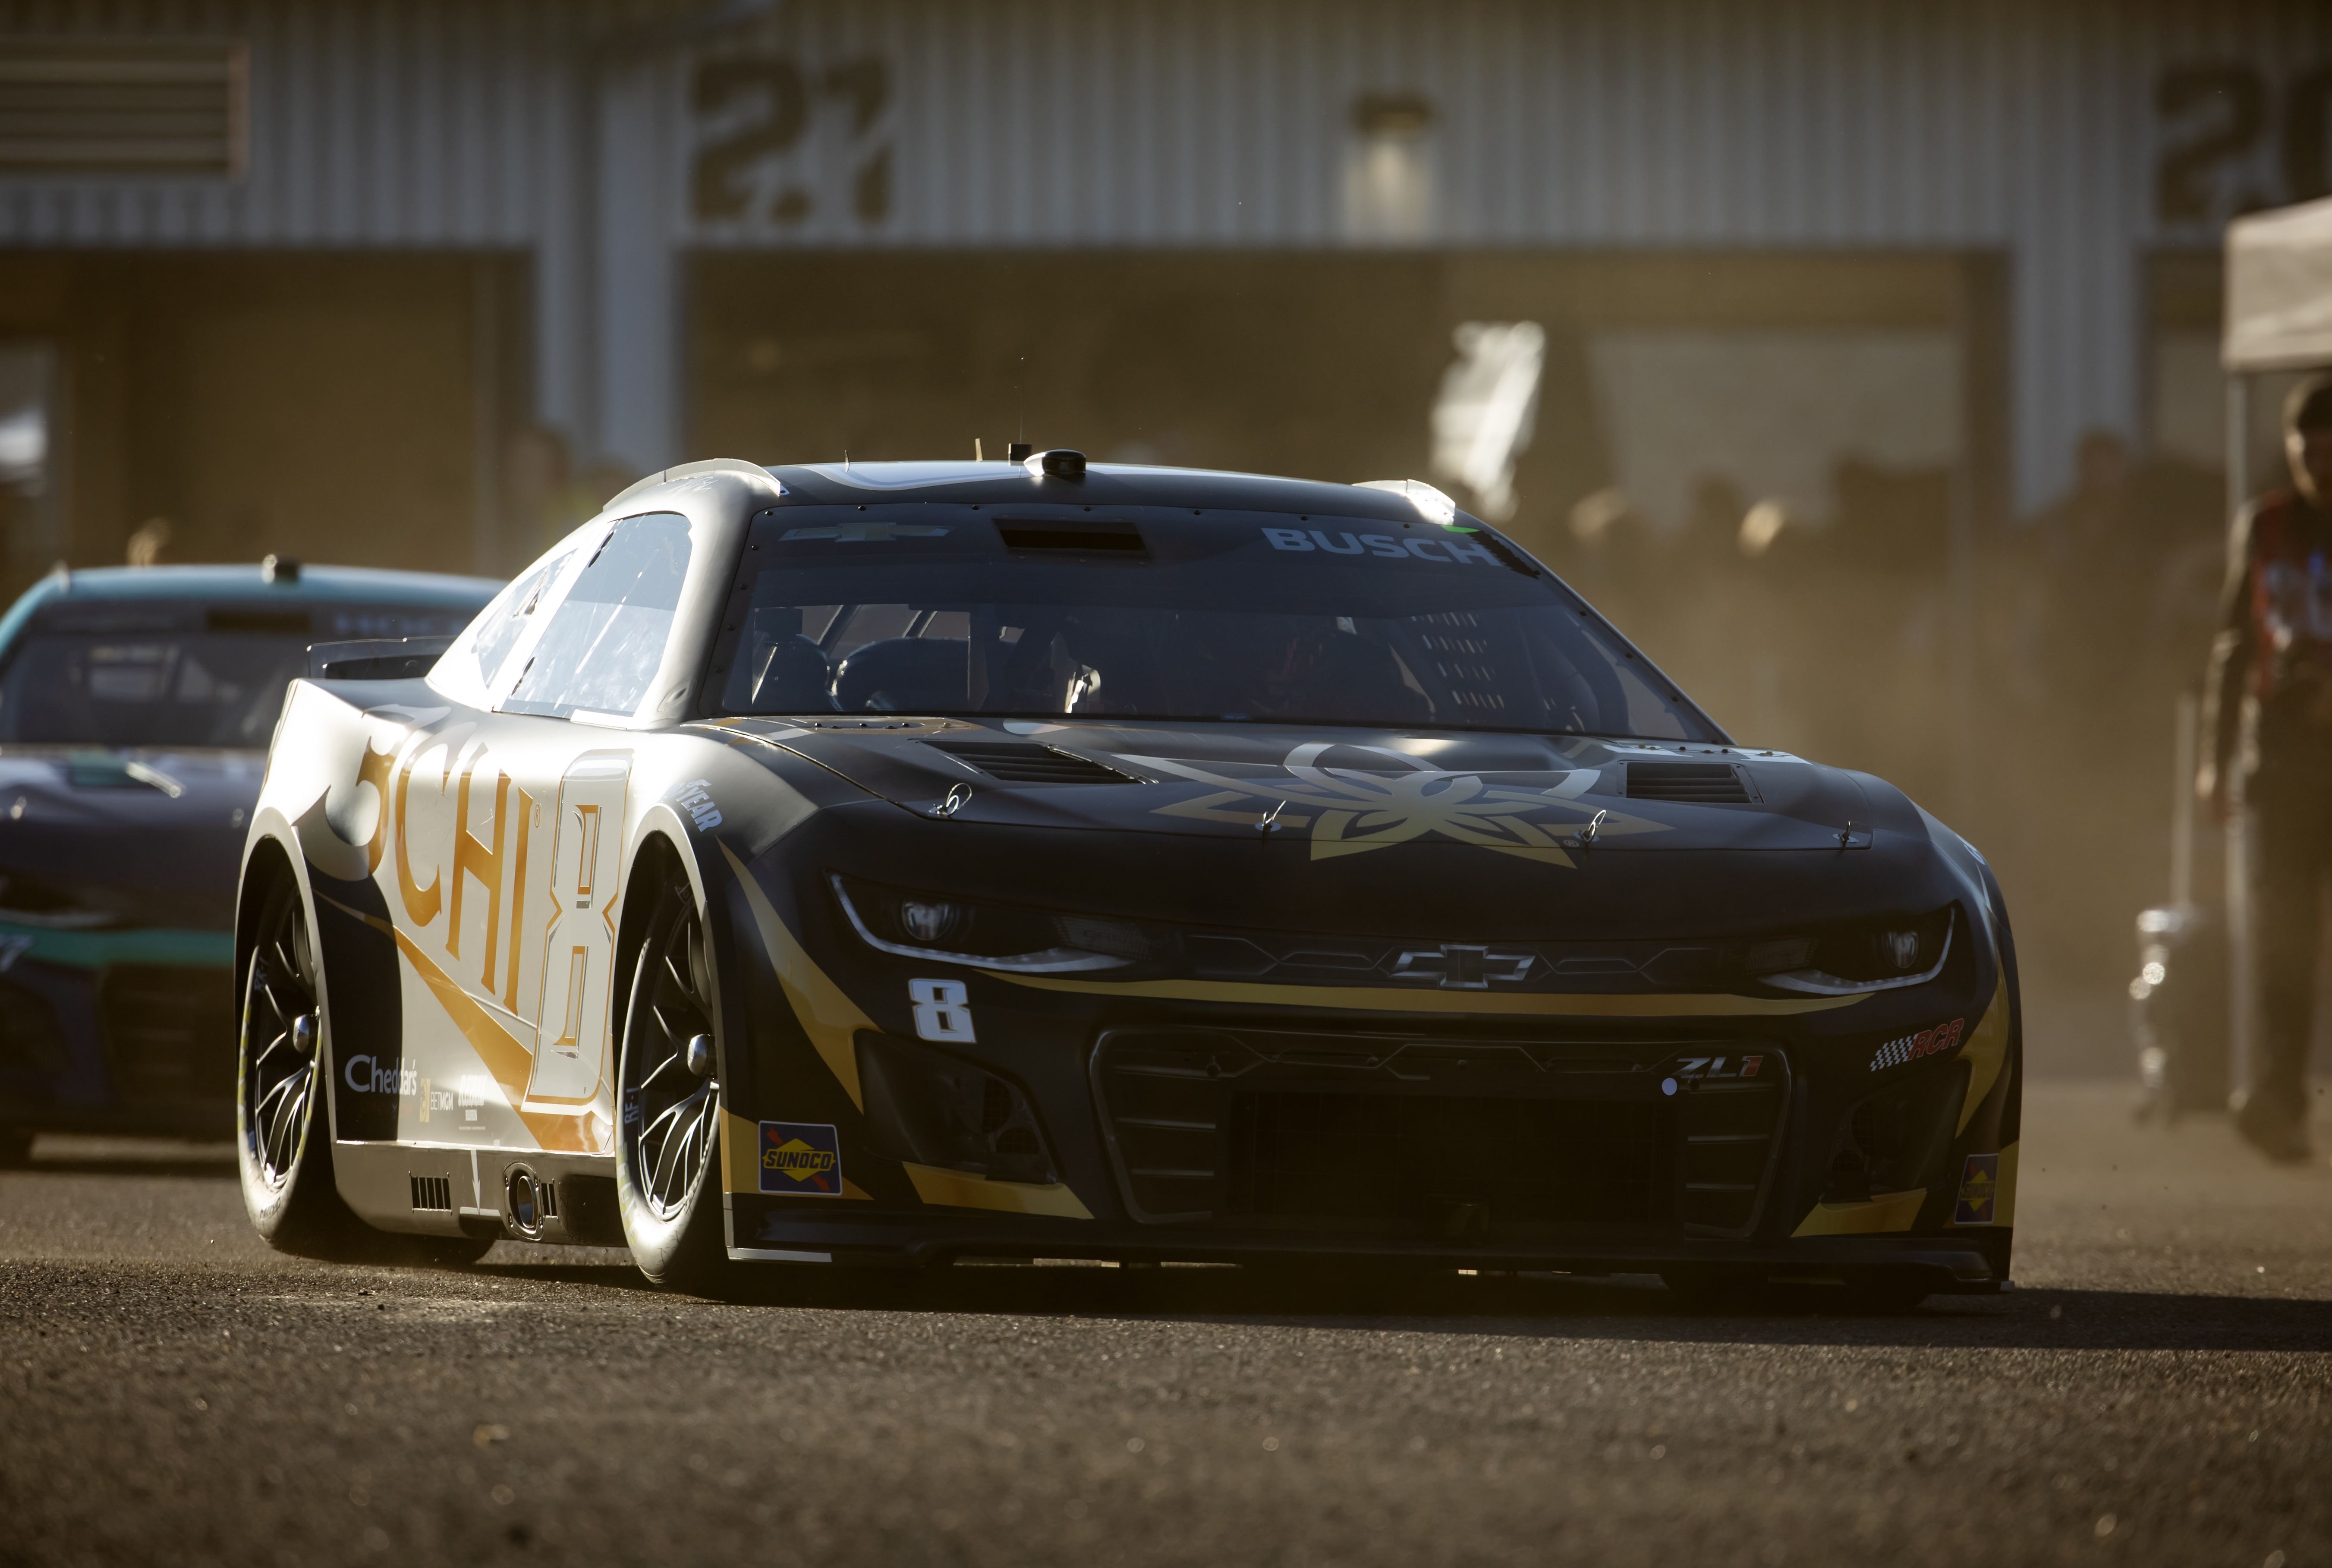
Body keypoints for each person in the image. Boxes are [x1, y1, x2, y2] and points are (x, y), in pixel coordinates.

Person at [2199, 373, 2332, 1163]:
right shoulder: (2267, 525)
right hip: (2278, 765)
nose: (2318, 460)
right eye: (2305, 447)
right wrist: (2213, 762)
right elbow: (2230, 647)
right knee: (2281, 936)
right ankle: (2277, 1097)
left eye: (2329, 446)